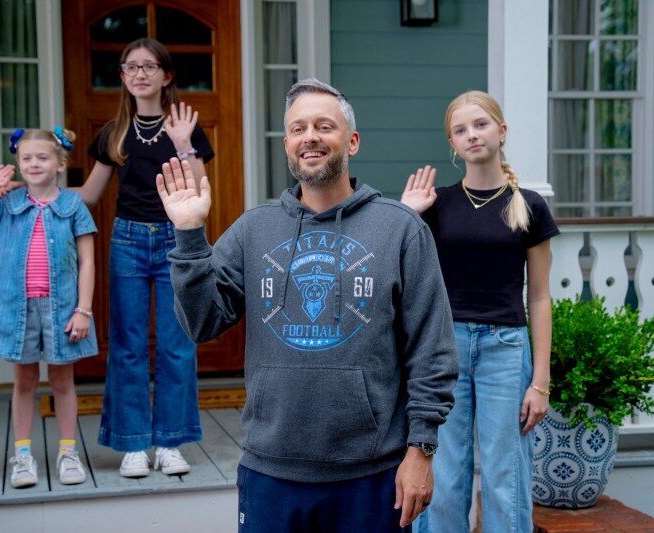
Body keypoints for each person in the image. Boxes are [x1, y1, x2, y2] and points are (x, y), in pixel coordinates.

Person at [156, 78, 458, 532]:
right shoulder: (254, 229)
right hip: (270, 470)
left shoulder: (400, 229)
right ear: (287, 145)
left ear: (351, 141)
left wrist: (421, 452)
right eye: (297, 129)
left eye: (324, 126)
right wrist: (190, 237)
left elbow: (432, 350)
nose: (309, 137)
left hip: (371, 473)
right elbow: (201, 322)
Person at [401, 90, 558, 533]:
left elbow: (541, 296)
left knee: (505, 473)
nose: (472, 135)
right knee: (445, 472)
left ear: (501, 131)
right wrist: (408, 214)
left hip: (505, 350)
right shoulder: (437, 203)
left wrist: (540, 382)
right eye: (460, 130)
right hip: (445, 348)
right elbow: (403, 279)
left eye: (481, 124)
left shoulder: (528, 204)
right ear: (452, 144)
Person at [82, 38, 215, 477]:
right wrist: (34, 194)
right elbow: (89, 195)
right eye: (131, 67)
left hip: (178, 241)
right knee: (128, 345)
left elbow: (199, 190)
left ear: (166, 75)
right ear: (122, 77)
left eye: (149, 66)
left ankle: (171, 443)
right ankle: (134, 443)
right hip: (129, 242)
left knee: (177, 344)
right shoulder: (114, 132)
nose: (140, 74)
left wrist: (183, 144)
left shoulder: (186, 128)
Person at [0, 128, 97, 488]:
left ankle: (67, 452)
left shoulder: (72, 206)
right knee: (24, 382)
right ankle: (22, 456)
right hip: (19, 309)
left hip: (62, 309)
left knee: (62, 381)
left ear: (60, 164)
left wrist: (84, 310)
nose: (34, 164)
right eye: (27, 158)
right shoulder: (9, 204)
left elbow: (87, 261)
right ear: (18, 164)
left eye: (43, 157)